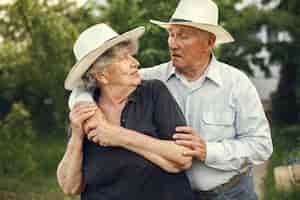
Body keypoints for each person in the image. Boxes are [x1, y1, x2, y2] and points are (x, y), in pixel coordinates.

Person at [68, 0, 273, 200]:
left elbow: (261, 145)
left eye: (183, 36)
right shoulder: (149, 79)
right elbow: (91, 82)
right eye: (171, 34)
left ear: (209, 42)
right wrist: (88, 109)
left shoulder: (236, 84)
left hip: (230, 194)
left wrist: (208, 150)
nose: (173, 43)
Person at [57, 24, 195, 200]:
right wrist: (76, 136)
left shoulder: (153, 92)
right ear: (102, 75)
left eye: (131, 56)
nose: (135, 63)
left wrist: (117, 135)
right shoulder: (86, 111)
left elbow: (183, 158)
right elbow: (70, 187)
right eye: (123, 58)